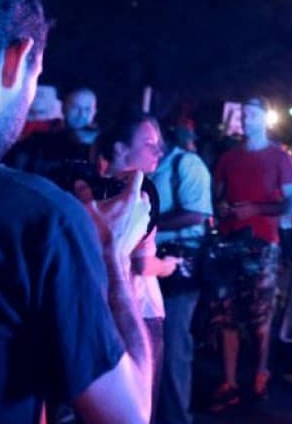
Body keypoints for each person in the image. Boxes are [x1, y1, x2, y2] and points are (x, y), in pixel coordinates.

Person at [0, 0, 153, 423]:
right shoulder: (38, 220)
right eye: (36, 76)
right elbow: (127, 415)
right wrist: (112, 256)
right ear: (17, 58)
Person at [207, 97, 292, 410]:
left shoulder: (280, 158)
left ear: (265, 119)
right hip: (230, 244)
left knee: (261, 313)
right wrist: (221, 208)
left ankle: (261, 371)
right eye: (244, 115)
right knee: (227, 312)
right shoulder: (228, 158)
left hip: (262, 244)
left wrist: (256, 209)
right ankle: (230, 380)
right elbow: (216, 197)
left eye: (254, 115)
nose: (248, 120)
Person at [99, 115, 179, 423]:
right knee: (138, 406)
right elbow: (144, 263)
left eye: (160, 146)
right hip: (138, 312)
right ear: (120, 149)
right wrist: (169, 266)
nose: (158, 152)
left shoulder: (86, 192)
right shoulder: (140, 196)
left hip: (99, 305)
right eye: (148, 144)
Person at [151, 125, 212, 424]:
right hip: (148, 267)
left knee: (174, 346)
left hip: (180, 269)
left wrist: (149, 224)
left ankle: (176, 417)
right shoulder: (144, 168)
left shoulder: (186, 165)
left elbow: (197, 213)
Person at [5, 86, 99, 178]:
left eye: (87, 109)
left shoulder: (102, 144)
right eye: (75, 107)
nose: (81, 114)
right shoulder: (39, 137)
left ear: (95, 111)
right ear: (63, 108)